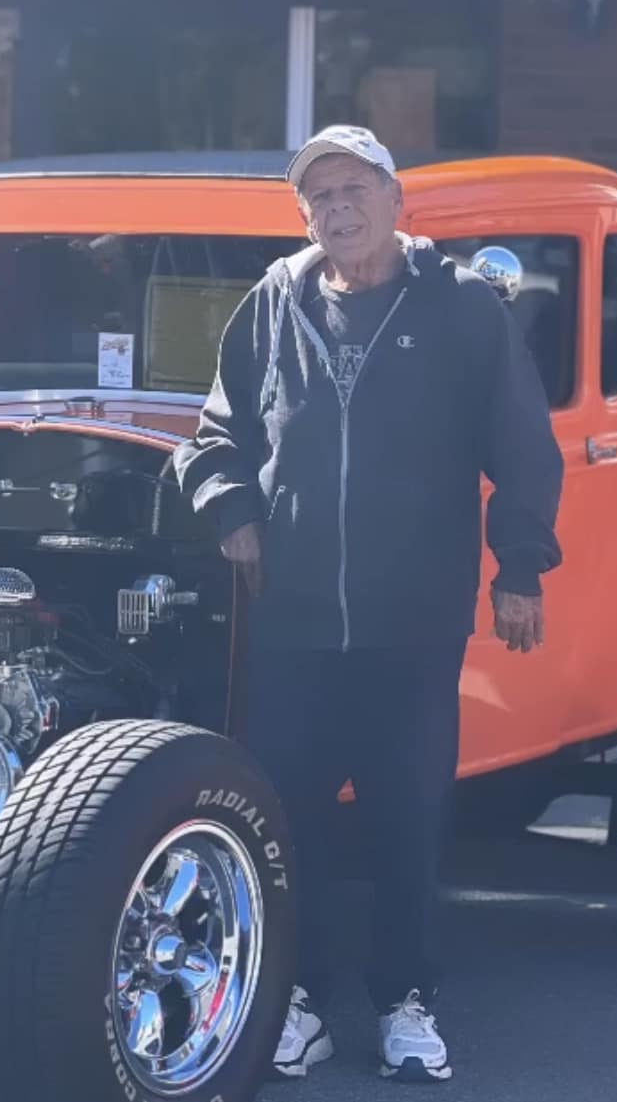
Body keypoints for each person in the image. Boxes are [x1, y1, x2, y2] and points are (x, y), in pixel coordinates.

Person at [174, 125, 564, 1084]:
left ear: (395, 198)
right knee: (285, 819)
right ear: (303, 215)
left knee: (407, 817)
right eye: (319, 196)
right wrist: (232, 511)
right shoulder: (274, 299)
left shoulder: (463, 305)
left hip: (413, 620)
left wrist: (519, 566)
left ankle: (405, 1000)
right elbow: (215, 429)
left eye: (354, 188)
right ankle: (295, 998)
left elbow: (522, 443)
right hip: (292, 618)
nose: (337, 208)